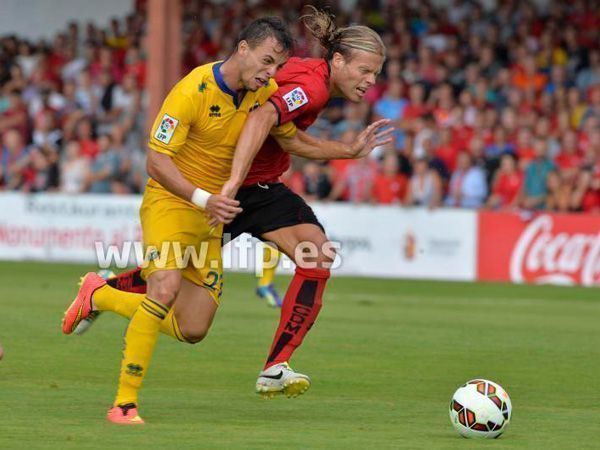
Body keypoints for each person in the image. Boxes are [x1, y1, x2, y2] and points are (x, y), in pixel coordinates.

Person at [63, 15, 391, 423]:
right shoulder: (295, 87)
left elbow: (282, 132)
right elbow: (252, 123)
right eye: (366, 70)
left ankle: (103, 294)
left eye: (375, 73)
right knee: (166, 283)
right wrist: (226, 187)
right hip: (210, 194)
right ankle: (118, 368)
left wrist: (345, 151)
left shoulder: (285, 82)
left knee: (210, 314)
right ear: (338, 61)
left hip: (248, 193)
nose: (370, 80)